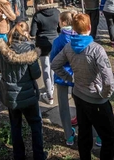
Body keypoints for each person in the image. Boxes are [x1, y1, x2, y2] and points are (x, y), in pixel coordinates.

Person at [52, 13, 114, 160]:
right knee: (110, 137)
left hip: (79, 95)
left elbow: (55, 64)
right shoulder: (96, 49)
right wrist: (105, 95)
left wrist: (70, 78)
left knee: (84, 132)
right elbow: (109, 80)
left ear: (74, 28)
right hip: (96, 99)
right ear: (90, 27)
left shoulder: (69, 47)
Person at [0, 21, 46, 160]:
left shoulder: (4, 49)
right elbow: (36, 74)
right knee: (36, 125)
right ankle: (39, 155)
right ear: (25, 34)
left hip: (10, 93)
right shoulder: (30, 51)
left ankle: (18, 155)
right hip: (28, 94)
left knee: (15, 125)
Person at [50, 11, 77, 146]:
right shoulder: (78, 37)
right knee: (80, 101)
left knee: (63, 105)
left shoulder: (58, 41)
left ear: (64, 23)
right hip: (77, 75)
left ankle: (68, 135)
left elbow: (53, 59)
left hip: (62, 75)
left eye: (60, 22)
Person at [29, 0, 60, 106]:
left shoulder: (37, 15)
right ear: (52, 0)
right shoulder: (57, 12)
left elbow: (32, 33)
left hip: (42, 44)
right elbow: (60, 29)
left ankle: (49, 95)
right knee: (52, 67)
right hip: (54, 42)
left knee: (46, 68)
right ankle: (51, 87)